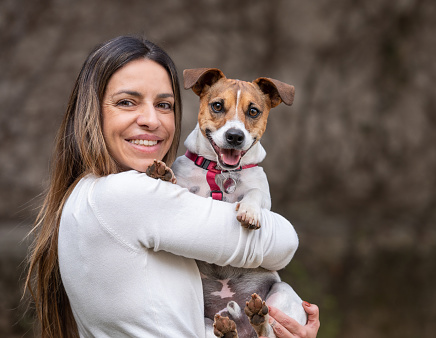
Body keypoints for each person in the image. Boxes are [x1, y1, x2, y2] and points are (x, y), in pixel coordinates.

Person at [25, 35, 319, 338]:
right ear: (90, 110)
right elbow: (283, 243)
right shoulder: (126, 195)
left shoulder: (83, 195)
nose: (151, 120)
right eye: (127, 102)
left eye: (164, 104)